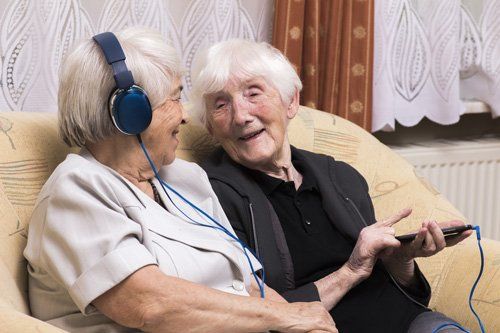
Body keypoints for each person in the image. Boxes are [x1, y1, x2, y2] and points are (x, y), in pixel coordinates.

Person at [23, 28, 338, 333]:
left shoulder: (186, 178)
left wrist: (305, 323)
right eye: (174, 99)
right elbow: (150, 306)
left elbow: (251, 286)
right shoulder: (75, 190)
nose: (185, 116)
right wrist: (285, 316)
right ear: (131, 112)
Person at [191, 39, 473, 333]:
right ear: (210, 126)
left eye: (253, 93)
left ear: (291, 102)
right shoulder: (209, 198)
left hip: (412, 323)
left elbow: (403, 293)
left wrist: (401, 260)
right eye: (221, 105)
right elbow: (250, 315)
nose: (241, 115)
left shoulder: (340, 175)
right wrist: (350, 271)